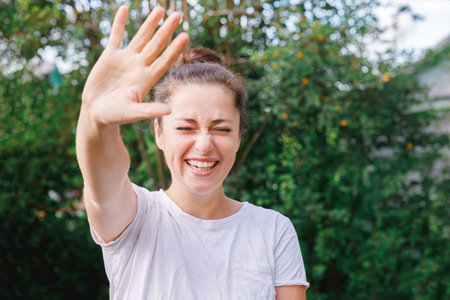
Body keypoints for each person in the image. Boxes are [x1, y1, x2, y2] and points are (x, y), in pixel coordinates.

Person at [76, 5, 309, 300]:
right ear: (159, 133)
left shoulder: (273, 230)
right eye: (186, 128)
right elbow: (102, 172)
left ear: (239, 136)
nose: (203, 144)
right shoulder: (133, 219)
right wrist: (94, 120)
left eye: (222, 129)